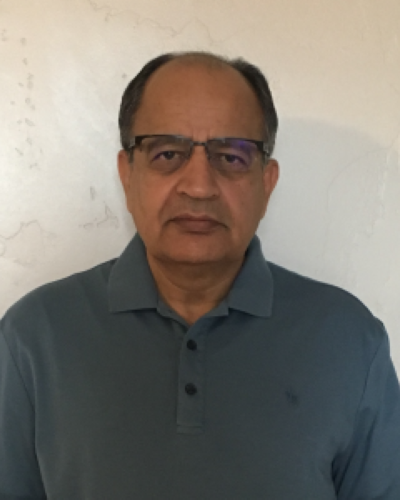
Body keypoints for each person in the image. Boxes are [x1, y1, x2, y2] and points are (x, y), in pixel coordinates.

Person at [1, 51, 399, 500]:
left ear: (267, 182)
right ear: (127, 175)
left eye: (231, 156)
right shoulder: (34, 338)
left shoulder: (348, 342)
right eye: (167, 153)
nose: (199, 186)